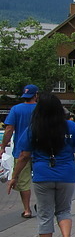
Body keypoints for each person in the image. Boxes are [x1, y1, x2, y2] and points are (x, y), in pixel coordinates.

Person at [6, 92, 75, 237]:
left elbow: (24, 155)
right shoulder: (70, 127)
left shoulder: (34, 128)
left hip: (43, 174)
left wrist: (14, 177)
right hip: (66, 175)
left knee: (45, 215)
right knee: (64, 210)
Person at [0, 84, 39, 218]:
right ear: (36, 95)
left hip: (21, 150)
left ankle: (27, 209)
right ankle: (42, 205)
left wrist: (3, 146)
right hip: (40, 150)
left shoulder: (16, 109)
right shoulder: (41, 109)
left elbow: (9, 129)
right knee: (43, 179)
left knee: (23, 181)